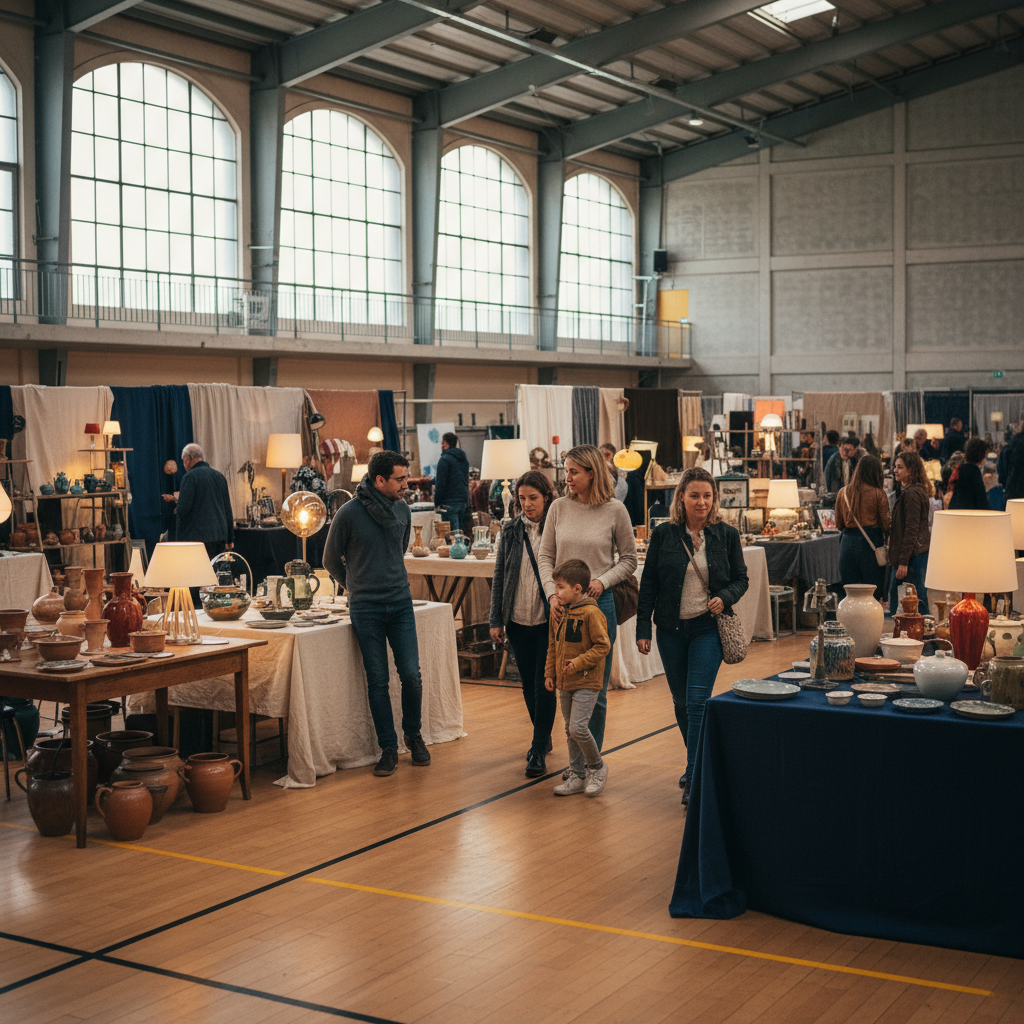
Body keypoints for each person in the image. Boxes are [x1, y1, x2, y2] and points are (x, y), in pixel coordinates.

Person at [635, 467, 748, 806]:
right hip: (670, 629)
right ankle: (698, 764)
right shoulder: (664, 534)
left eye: (707, 496)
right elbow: (649, 584)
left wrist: (724, 597)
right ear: (681, 497)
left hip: (707, 628)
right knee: (681, 704)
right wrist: (643, 628)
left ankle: (694, 775)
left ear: (714, 499)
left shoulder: (726, 535)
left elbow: (741, 579)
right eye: (695, 495)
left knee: (698, 701)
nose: (701, 502)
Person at [323, 450, 430, 777]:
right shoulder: (349, 514)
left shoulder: (402, 509)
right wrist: (354, 587)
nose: (406, 484)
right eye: (400, 479)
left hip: (400, 603)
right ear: (379, 479)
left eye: (405, 477)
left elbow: (398, 551)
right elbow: (330, 560)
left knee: (411, 675)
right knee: (378, 681)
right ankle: (388, 747)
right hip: (366, 609)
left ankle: (413, 734)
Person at [538, 444, 637, 753]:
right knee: (566, 684)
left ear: (592, 474)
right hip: (561, 607)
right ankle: (575, 765)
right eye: (566, 471)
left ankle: (594, 762)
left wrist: (602, 581)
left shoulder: (615, 510)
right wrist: (552, 594)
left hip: (598, 606)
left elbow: (629, 560)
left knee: (594, 687)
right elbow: (545, 557)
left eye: (573, 472)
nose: (567, 478)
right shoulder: (558, 508)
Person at [489, 470, 557, 778]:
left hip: (548, 618)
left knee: (545, 683)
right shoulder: (511, 530)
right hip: (517, 617)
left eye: (533, 498)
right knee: (528, 683)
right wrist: (495, 620)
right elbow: (500, 575)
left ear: (546, 497)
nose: (527, 504)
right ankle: (543, 733)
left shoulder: (557, 527)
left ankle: (538, 746)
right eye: (522, 499)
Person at [543, 558, 611, 798]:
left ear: (577, 589)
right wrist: (549, 673)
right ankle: (577, 775)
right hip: (565, 682)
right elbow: (553, 644)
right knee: (569, 730)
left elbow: (603, 645)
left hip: (586, 681)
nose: (556, 592)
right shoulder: (558, 613)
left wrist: (578, 663)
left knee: (578, 727)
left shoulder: (592, 613)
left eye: (560, 587)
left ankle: (597, 767)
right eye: (555, 587)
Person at [834, 455, 890, 602]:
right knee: (872, 592)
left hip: (847, 543)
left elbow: (839, 524)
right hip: (871, 544)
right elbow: (886, 525)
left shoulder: (843, 492)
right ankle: (871, 624)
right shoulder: (879, 494)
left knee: (850, 592)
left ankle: (850, 623)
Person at [888, 450, 931, 617]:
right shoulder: (915, 490)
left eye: (900, 467)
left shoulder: (912, 493)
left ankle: (924, 636)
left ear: (911, 470)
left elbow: (911, 529)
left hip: (912, 557)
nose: (895, 470)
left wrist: (903, 562)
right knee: (915, 599)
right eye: (895, 466)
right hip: (914, 555)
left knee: (915, 601)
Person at [433, 431, 469, 533]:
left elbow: (440, 483)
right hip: (463, 501)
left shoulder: (444, 460)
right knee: (460, 534)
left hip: (449, 503)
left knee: (452, 536)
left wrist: (437, 502)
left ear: (444, 443)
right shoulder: (463, 458)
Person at [947, 437, 990, 511]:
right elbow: (981, 499)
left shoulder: (961, 468)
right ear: (981, 455)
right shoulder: (974, 471)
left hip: (957, 511)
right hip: (969, 514)